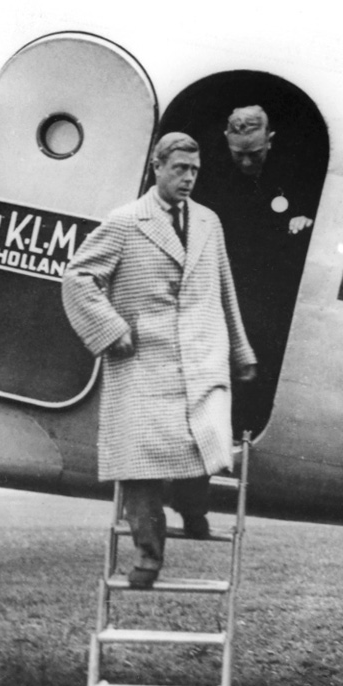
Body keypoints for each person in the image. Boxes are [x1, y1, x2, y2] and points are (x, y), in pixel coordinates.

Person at [62, 132, 257, 589]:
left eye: (194, 171)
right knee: (140, 466)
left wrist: (242, 351)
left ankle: (193, 512)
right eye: (179, 170)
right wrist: (111, 330)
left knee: (203, 440)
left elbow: (225, 290)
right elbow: (78, 277)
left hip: (202, 357)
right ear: (157, 168)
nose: (188, 178)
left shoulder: (209, 222)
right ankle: (148, 555)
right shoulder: (126, 221)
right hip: (143, 362)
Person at [192, 106, 321, 434]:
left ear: (271, 141)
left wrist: (307, 220)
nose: (247, 163)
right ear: (226, 141)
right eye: (239, 155)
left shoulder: (296, 169)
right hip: (225, 286)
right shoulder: (210, 174)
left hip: (273, 290)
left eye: (256, 154)